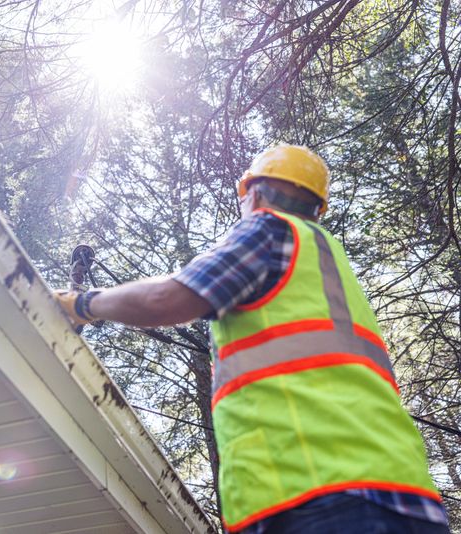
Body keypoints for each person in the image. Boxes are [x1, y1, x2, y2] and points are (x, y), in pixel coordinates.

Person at [54, 144, 450, 534]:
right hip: (407, 498)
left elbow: (167, 299)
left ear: (255, 193)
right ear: (317, 207)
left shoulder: (270, 229)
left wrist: (81, 304)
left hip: (318, 498)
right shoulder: (327, 262)